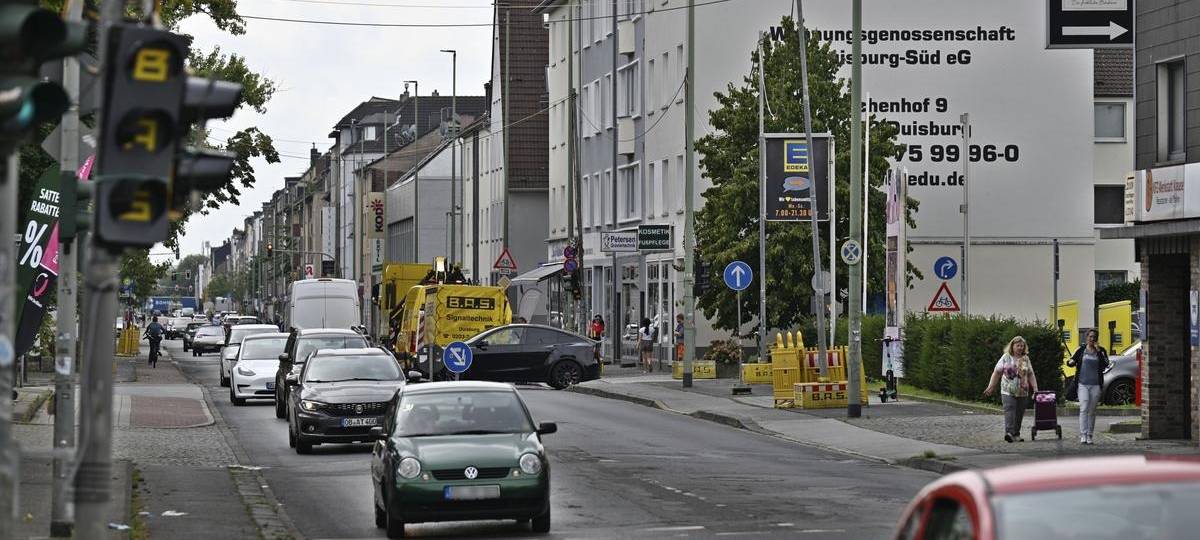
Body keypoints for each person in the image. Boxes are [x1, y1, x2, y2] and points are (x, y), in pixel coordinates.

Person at [983, 335, 1038, 443]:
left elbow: (1031, 374)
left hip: (1022, 391)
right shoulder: (1005, 357)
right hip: (1007, 390)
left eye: (1022, 346)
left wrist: (1035, 389)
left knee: (1019, 413)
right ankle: (1009, 433)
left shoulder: (1025, 358)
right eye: (1018, 346)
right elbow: (997, 373)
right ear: (1012, 346)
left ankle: (1016, 434)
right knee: (1009, 411)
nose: (1020, 348)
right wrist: (991, 386)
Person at [1068, 329, 1109, 445]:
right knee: (1084, 407)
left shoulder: (1101, 351)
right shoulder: (1081, 350)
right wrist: (1071, 362)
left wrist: (1099, 351)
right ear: (1086, 338)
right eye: (1090, 337)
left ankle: (1090, 434)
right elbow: (1072, 359)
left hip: (1096, 384)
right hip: (1082, 384)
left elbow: (1106, 363)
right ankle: (1083, 434)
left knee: (1092, 410)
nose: (1092, 339)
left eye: (1094, 337)